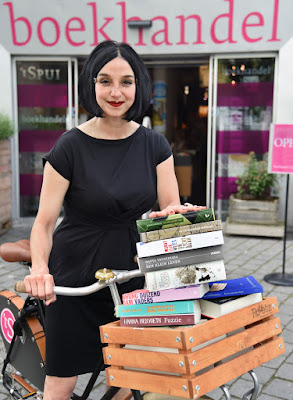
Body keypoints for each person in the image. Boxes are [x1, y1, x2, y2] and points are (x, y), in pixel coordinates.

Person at [24, 40, 204, 400]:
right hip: (76, 274)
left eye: (126, 81)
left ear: (139, 86)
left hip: (134, 272)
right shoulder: (69, 147)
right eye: (105, 81)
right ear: (92, 84)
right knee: (63, 375)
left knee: (126, 371)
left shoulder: (155, 144)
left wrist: (177, 215)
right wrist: (39, 269)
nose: (116, 92)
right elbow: (44, 223)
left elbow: (169, 206)